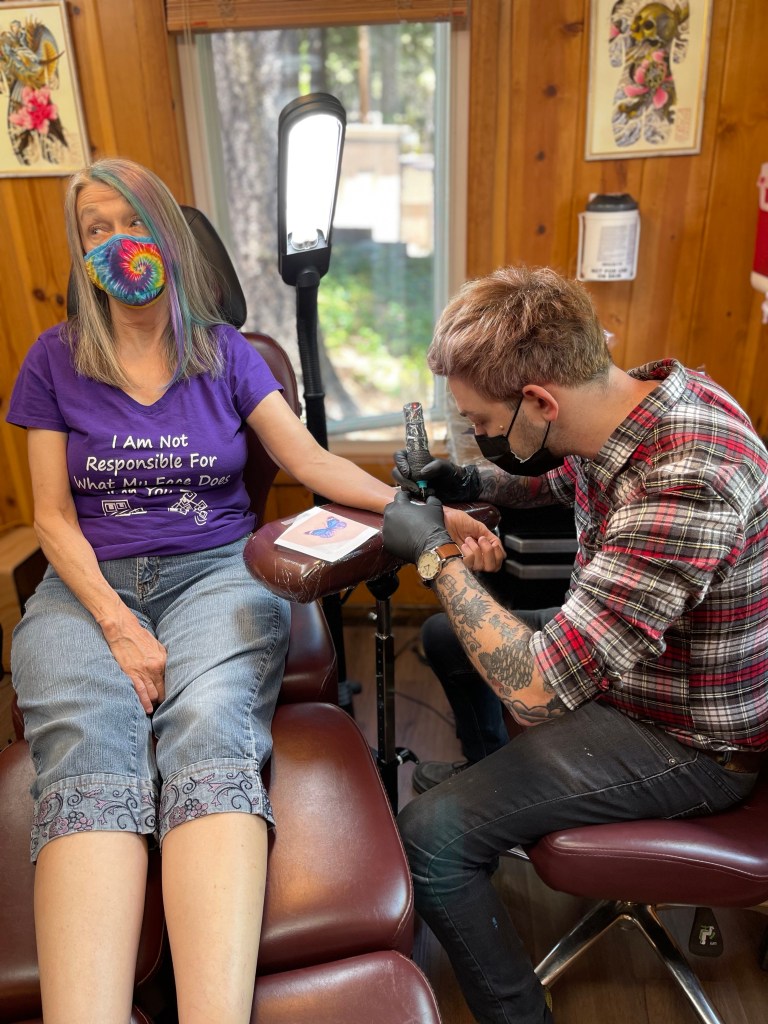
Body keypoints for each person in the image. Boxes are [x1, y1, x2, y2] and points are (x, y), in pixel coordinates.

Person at [5, 156, 499, 1024]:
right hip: (88, 587)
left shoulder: (224, 354)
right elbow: (50, 516)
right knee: (88, 743)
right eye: (95, 229)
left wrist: (424, 514)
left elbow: (310, 462)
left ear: (169, 234)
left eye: (132, 221)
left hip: (215, 573)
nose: (118, 242)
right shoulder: (54, 360)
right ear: (81, 253)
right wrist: (117, 625)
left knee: (206, 730)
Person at [383, 264, 768, 1024]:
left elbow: (536, 689)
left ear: (539, 402)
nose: (480, 436)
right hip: (639, 670)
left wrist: (433, 555)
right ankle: (501, 785)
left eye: (482, 424)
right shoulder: (631, 407)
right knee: (446, 638)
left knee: (430, 837)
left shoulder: (688, 475)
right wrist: (467, 481)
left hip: (689, 738)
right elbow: (559, 485)